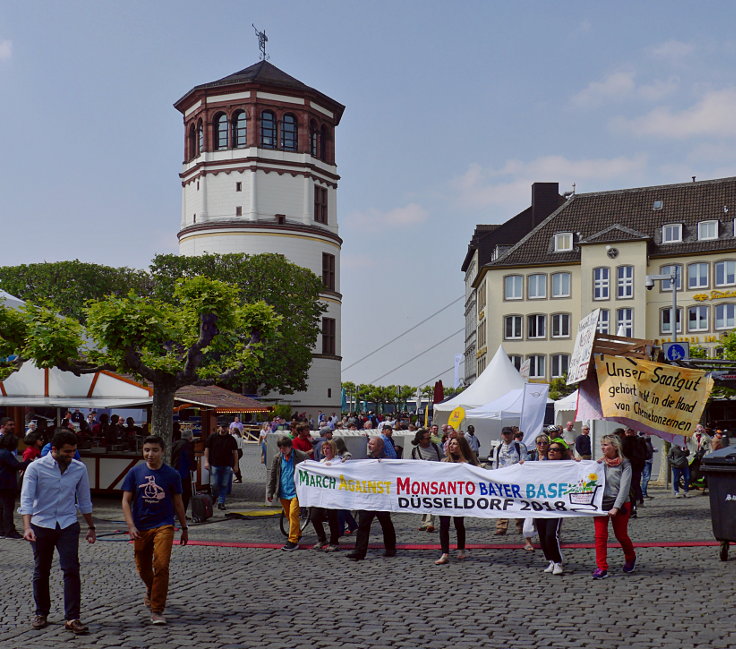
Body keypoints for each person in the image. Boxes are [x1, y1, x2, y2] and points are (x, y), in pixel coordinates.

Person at [19, 429, 96, 635]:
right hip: (41, 523)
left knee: (71, 569)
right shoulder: (35, 468)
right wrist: (27, 527)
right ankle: (41, 612)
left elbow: (84, 500)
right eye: (67, 452)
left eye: (73, 452)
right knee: (41, 569)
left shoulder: (79, 469)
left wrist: (91, 526)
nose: (71, 456)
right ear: (54, 449)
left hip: (67, 524)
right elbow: (26, 500)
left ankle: (72, 617)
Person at [121, 435, 188, 625]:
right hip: (141, 526)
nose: (150, 454)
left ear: (163, 452)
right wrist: (130, 525)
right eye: (147, 450)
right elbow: (126, 501)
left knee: (161, 565)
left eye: (155, 450)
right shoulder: (135, 472)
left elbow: (178, 502)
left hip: (164, 525)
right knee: (142, 568)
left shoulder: (172, 475)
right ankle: (152, 587)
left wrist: (184, 527)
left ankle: (157, 609)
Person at [591, 434, 635, 579]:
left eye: (606, 445)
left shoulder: (625, 464)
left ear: (615, 447)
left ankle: (630, 557)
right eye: (602, 444)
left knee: (621, 535)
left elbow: (624, 487)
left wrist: (616, 507)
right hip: (601, 503)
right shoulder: (599, 463)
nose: (603, 447)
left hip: (621, 504)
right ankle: (601, 567)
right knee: (600, 536)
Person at [347, 437, 397, 561]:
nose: (369, 445)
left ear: (380, 447)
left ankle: (390, 548)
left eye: (372, 444)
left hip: (382, 498)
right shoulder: (365, 461)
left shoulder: (388, 461)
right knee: (363, 525)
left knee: (386, 524)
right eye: (369, 443)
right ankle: (359, 551)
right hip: (368, 497)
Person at [435, 436, 477, 565]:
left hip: (460, 499)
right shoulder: (444, 462)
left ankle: (461, 548)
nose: (451, 446)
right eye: (450, 444)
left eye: (455, 444)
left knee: (459, 524)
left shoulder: (469, 463)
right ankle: (445, 552)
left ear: (461, 446)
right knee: (444, 525)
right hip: (445, 498)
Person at [535, 441, 571, 575]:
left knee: (551, 534)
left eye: (555, 450)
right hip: (540, 504)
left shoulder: (567, 466)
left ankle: (558, 561)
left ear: (561, 454)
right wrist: (523, 466)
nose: (551, 451)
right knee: (542, 535)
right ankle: (550, 560)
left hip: (556, 506)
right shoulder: (540, 465)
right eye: (550, 449)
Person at [267, 436, 309, 551]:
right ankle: (298, 533)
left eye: (284, 447)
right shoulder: (277, 458)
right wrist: (270, 492)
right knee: (288, 515)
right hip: (283, 491)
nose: (282, 449)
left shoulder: (301, 456)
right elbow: (273, 476)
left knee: (293, 514)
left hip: (296, 491)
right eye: (280, 447)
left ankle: (292, 540)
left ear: (290, 447)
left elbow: (310, 471)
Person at [492, 426, 526, 536]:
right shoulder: (498, 447)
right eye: (505, 434)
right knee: (502, 502)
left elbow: (524, 460)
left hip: (517, 478)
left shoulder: (519, 446)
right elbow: (495, 463)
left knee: (518, 502)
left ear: (512, 435)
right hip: (502, 478)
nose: (506, 436)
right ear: (502, 435)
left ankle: (520, 525)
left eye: (508, 434)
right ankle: (501, 526)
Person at [310, 440, 342, 552]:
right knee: (314, 517)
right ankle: (321, 538)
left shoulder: (338, 461)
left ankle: (334, 541)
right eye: (324, 449)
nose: (325, 450)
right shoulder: (321, 461)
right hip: (321, 494)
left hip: (333, 494)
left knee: (332, 518)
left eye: (328, 448)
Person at [411, 428, 443, 532]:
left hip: (435, 479)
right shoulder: (415, 451)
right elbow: (410, 465)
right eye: (427, 438)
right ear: (420, 440)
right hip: (422, 480)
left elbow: (443, 459)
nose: (429, 440)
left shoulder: (435, 447)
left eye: (430, 438)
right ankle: (425, 522)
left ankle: (430, 523)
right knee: (424, 501)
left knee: (432, 500)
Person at [0, 433, 30, 538]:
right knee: (8, 508)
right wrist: (29, 462)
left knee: (2, 507)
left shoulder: (2, 452)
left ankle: (2, 529)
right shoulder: (6, 454)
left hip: (3, 484)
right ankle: (9, 530)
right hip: (6, 484)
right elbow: (16, 465)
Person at [204, 425, 239, 511]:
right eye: (222, 427)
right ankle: (215, 495)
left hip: (227, 465)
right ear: (219, 427)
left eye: (225, 427)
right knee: (214, 484)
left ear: (228, 428)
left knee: (224, 484)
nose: (223, 429)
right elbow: (207, 449)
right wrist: (206, 461)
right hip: (215, 464)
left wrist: (236, 465)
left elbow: (235, 452)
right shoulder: (212, 437)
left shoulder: (231, 439)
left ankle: (221, 502)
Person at [171, 429, 195, 514]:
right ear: (190, 437)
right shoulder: (188, 445)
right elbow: (189, 459)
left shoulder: (174, 444)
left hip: (173, 471)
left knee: (174, 493)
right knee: (185, 494)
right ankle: (181, 512)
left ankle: (173, 512)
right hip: (183, 473)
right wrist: (193, 466)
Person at [640, 433, 655, 500]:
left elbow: (653, 449)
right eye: (646, 434)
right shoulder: (643, 441)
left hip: (649, 460)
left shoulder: (649, 442)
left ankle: (644, 493)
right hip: (646, 461)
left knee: (646, 477)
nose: (648, 435)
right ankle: (643, 493)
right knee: (646, 477)